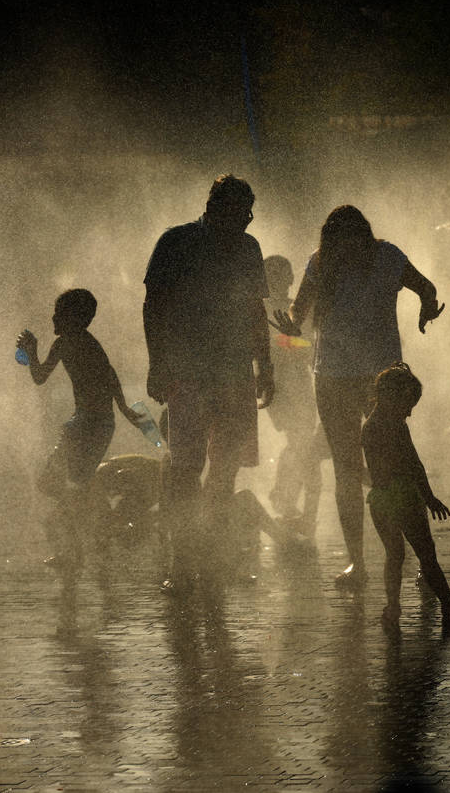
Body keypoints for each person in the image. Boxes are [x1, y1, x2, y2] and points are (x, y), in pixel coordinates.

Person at [275, 204, 445, 587]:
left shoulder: (387, 256)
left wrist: (428, 308)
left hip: (382, 378)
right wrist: (288, 324)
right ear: (331, 241)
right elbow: (298, 314)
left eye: (355, 237)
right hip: (332, 376)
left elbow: (426, 287)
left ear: (365, 236)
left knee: (397, 464)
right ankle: (358, 563)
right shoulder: (320, 264)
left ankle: (425, 561)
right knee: (346, 471)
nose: (349, 246)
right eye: (341, 239)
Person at [143, 174, 275, 592]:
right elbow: (153, 306)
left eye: (247, 216)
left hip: (235, 371)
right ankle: (182, 565)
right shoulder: (176, 242)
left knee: (226, 467)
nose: (243, 224)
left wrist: (266, 363)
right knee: (186, 466)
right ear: (214, 208)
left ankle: (214, 560)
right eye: (237, 215)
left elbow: (256, 309)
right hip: (187, 371)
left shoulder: (248, 247)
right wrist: (156, 363)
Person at [17, 288, 144, 576]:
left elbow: (39, 376)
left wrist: (30, 351)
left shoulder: (66, 343)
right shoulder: (89, 343)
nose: (53, 317)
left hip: (88, 424)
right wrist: (123, 409)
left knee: (55, 483)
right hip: (95, 423)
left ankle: (92, 534)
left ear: (73, 317)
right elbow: (109, 373)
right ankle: (88, 536)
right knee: (70, 485)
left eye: (58, 312)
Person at [363, 362, 450, 633]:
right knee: (426, 555)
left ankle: (393, 607)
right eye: (408, 405)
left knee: (394, 555)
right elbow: (413, 466)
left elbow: (373, 471)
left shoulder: (370, 426)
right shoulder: (396, 427)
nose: (410, 413)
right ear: (393, 398)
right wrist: (429, 498)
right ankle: (449, 607)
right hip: (404, 497)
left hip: (380, 501)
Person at [262, 255, 326, 533]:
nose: (283, 282)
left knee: (303, 444)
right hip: (280, 383)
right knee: (301, 443)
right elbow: (282, 343)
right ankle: (289, 503)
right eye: (275, 276)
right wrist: (299, 345)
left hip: (298, 383)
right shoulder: (263, 308)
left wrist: (293, 344)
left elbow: (308, 343)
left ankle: (289, 502)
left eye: (285, 276)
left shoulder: (297, 308)